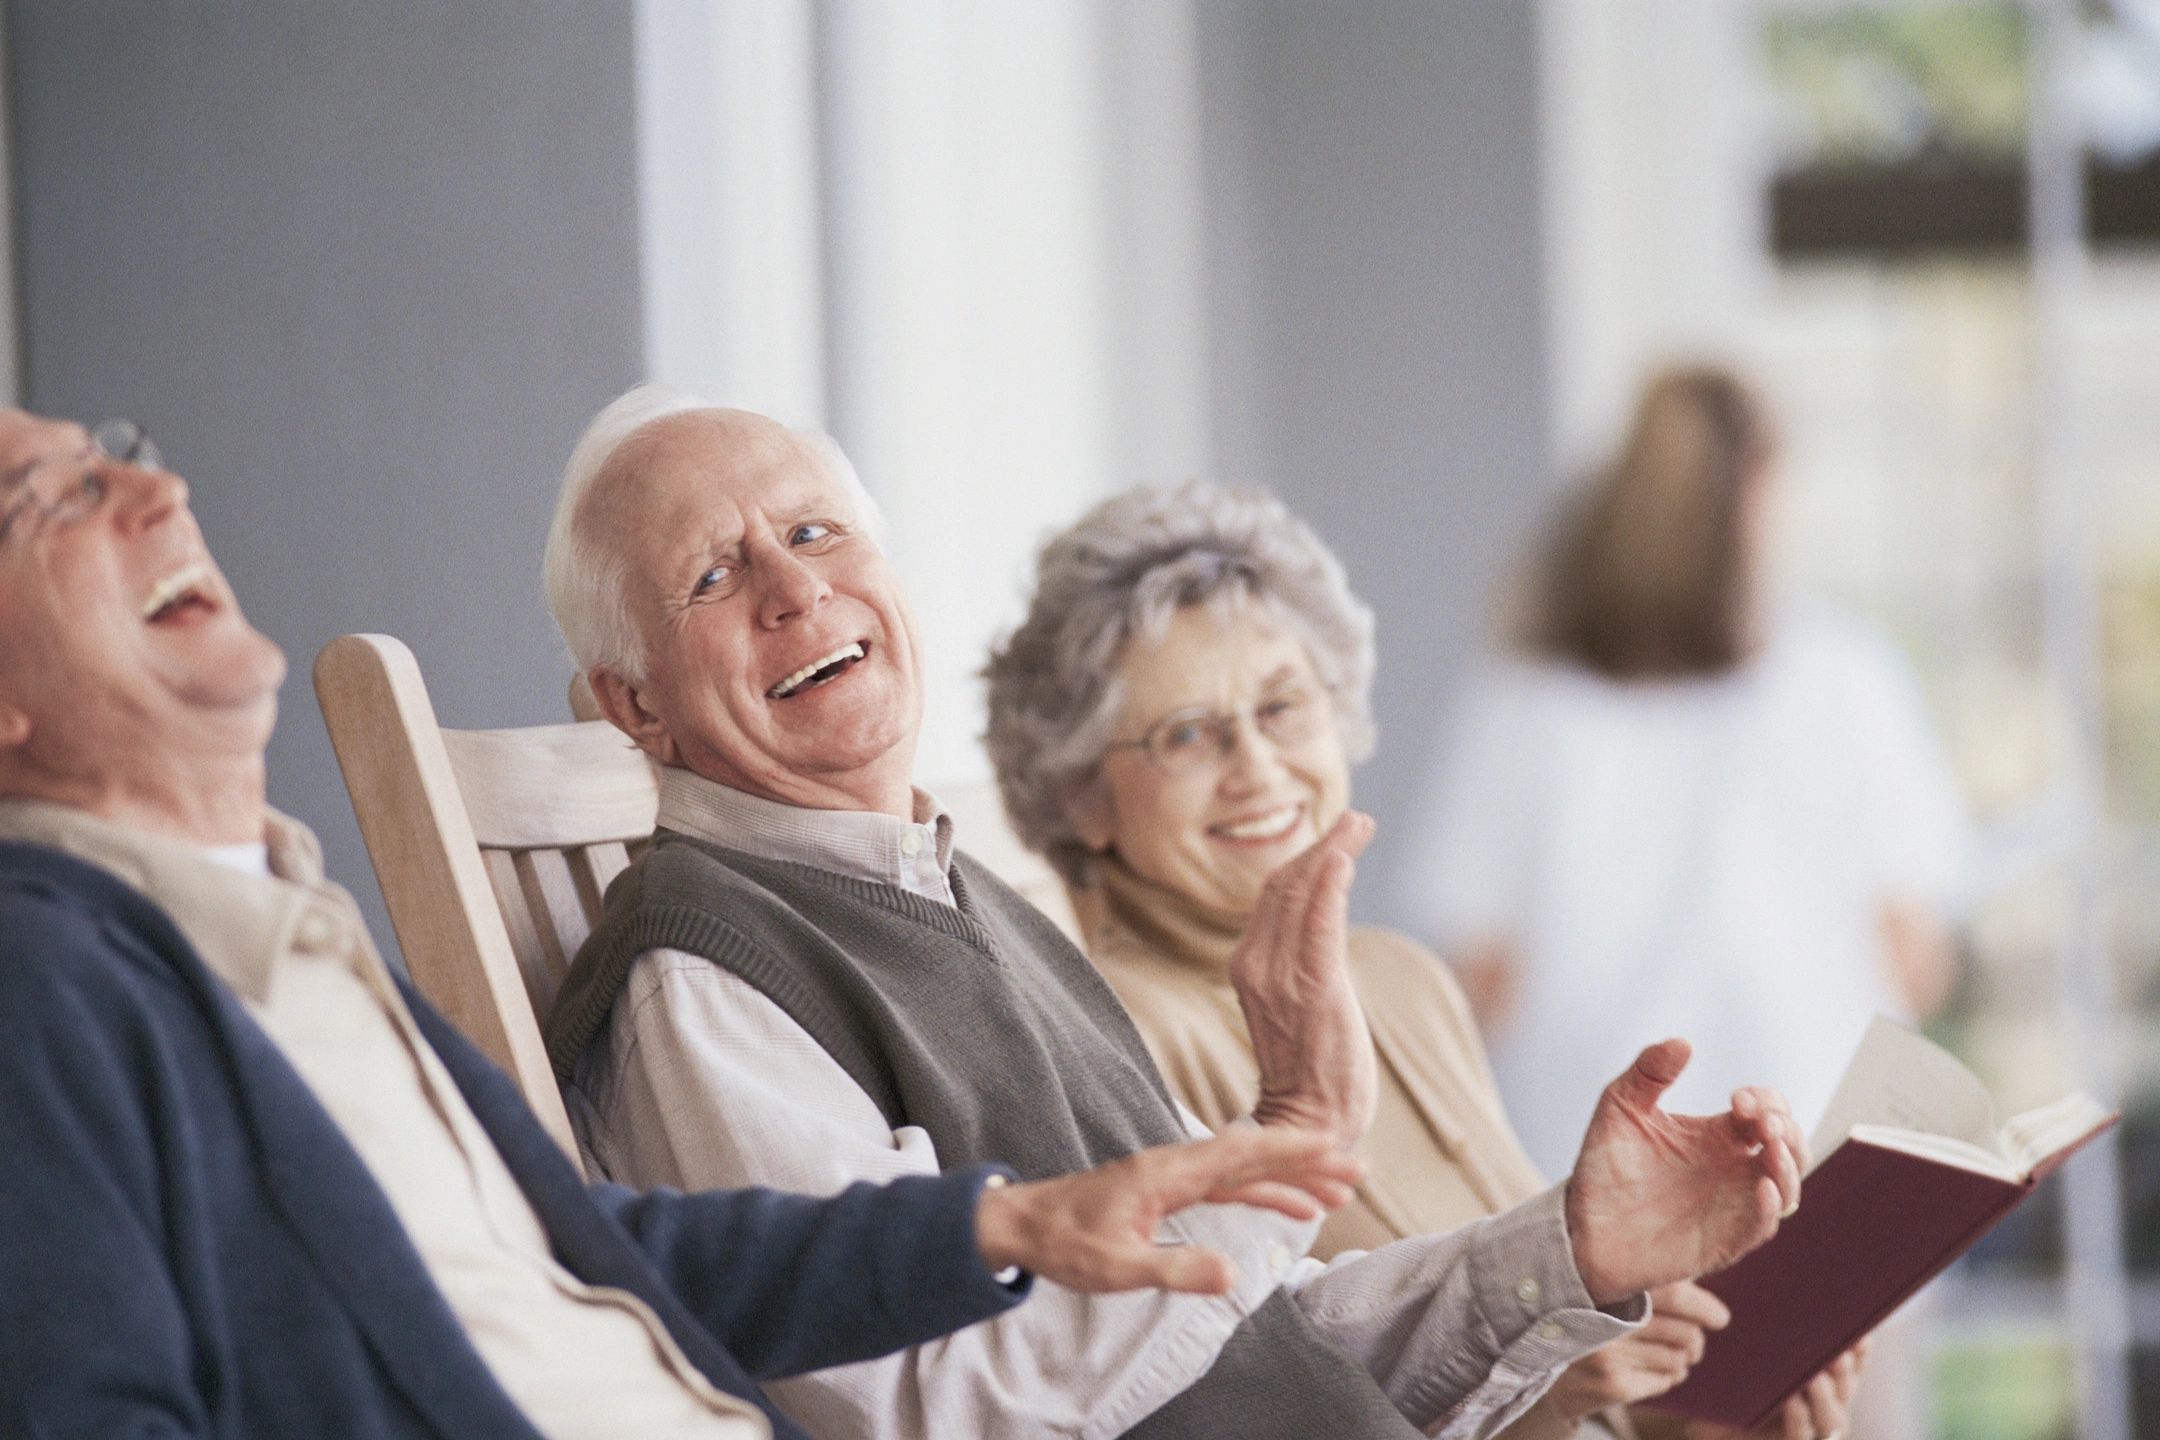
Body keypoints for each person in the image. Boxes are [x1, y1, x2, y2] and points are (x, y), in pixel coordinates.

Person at [0, 403, 1376, 1439]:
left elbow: (590, 1260)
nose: (159, 486)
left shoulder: (276, 931)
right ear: (636, 707)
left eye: (818, 533)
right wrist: (1266, 1164)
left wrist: (992, 1233)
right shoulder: (46, 978)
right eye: (39, 499)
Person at [539, 383, 1808, 1440]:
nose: (794, 590)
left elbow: (1254, 1336)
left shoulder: (953, 893)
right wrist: (1289, 1143)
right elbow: (934, 1407)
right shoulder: (701, 969)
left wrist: (1574, 1250)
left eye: (816, 535)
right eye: (714, 574)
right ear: (636, 708)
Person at [981, 478, 1863, 1440]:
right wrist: (1557, 1386)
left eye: (1283, 707)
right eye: (1187, 733)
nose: (1258, 766)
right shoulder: (1110, 1035)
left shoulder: (1402, 977)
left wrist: (1700, 1420)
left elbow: (1576, 1365)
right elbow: (1236, 1416)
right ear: (1078, 796)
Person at [1400, 364, 1970, 1180]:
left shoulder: (1525, 697)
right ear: (1759, 489)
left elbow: (1481, 983)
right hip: (1817, 1154)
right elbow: (1915, 956)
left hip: (1593, 1176)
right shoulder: (1846, 675)